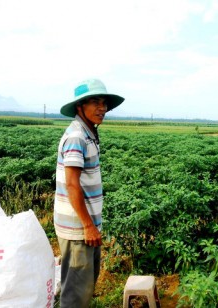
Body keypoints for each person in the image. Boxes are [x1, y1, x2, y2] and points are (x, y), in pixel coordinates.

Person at [54, 79, 124, 307]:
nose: (102, 108)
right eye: (95, 102)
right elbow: (72, 185)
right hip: (78, 229)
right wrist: (88, 225)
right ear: (79, 106)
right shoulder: (77, 137)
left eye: (104, 103)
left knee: (84, 287)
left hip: (84, 227)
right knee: (75, 295)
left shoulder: (88, 133)